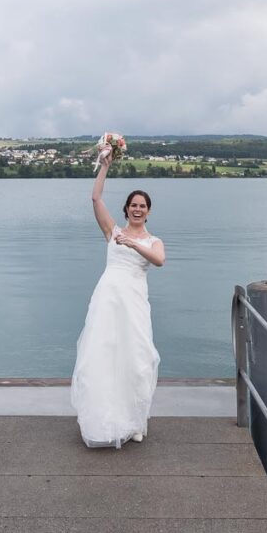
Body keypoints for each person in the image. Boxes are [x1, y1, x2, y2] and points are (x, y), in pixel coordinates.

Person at [71, 151, 165, 447]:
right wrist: (104, 166)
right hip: (107, 301)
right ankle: (103, 421)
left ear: (148, 212)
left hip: (135, 304)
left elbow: (159, 261)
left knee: (137, 359)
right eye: (133, 205)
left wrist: (135, 244)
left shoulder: (153, 241)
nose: (137, 210)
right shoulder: (113, 232)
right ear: (126, 209)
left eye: (143, 206)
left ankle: (136, 420)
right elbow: (96, 199)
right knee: (103, 357)